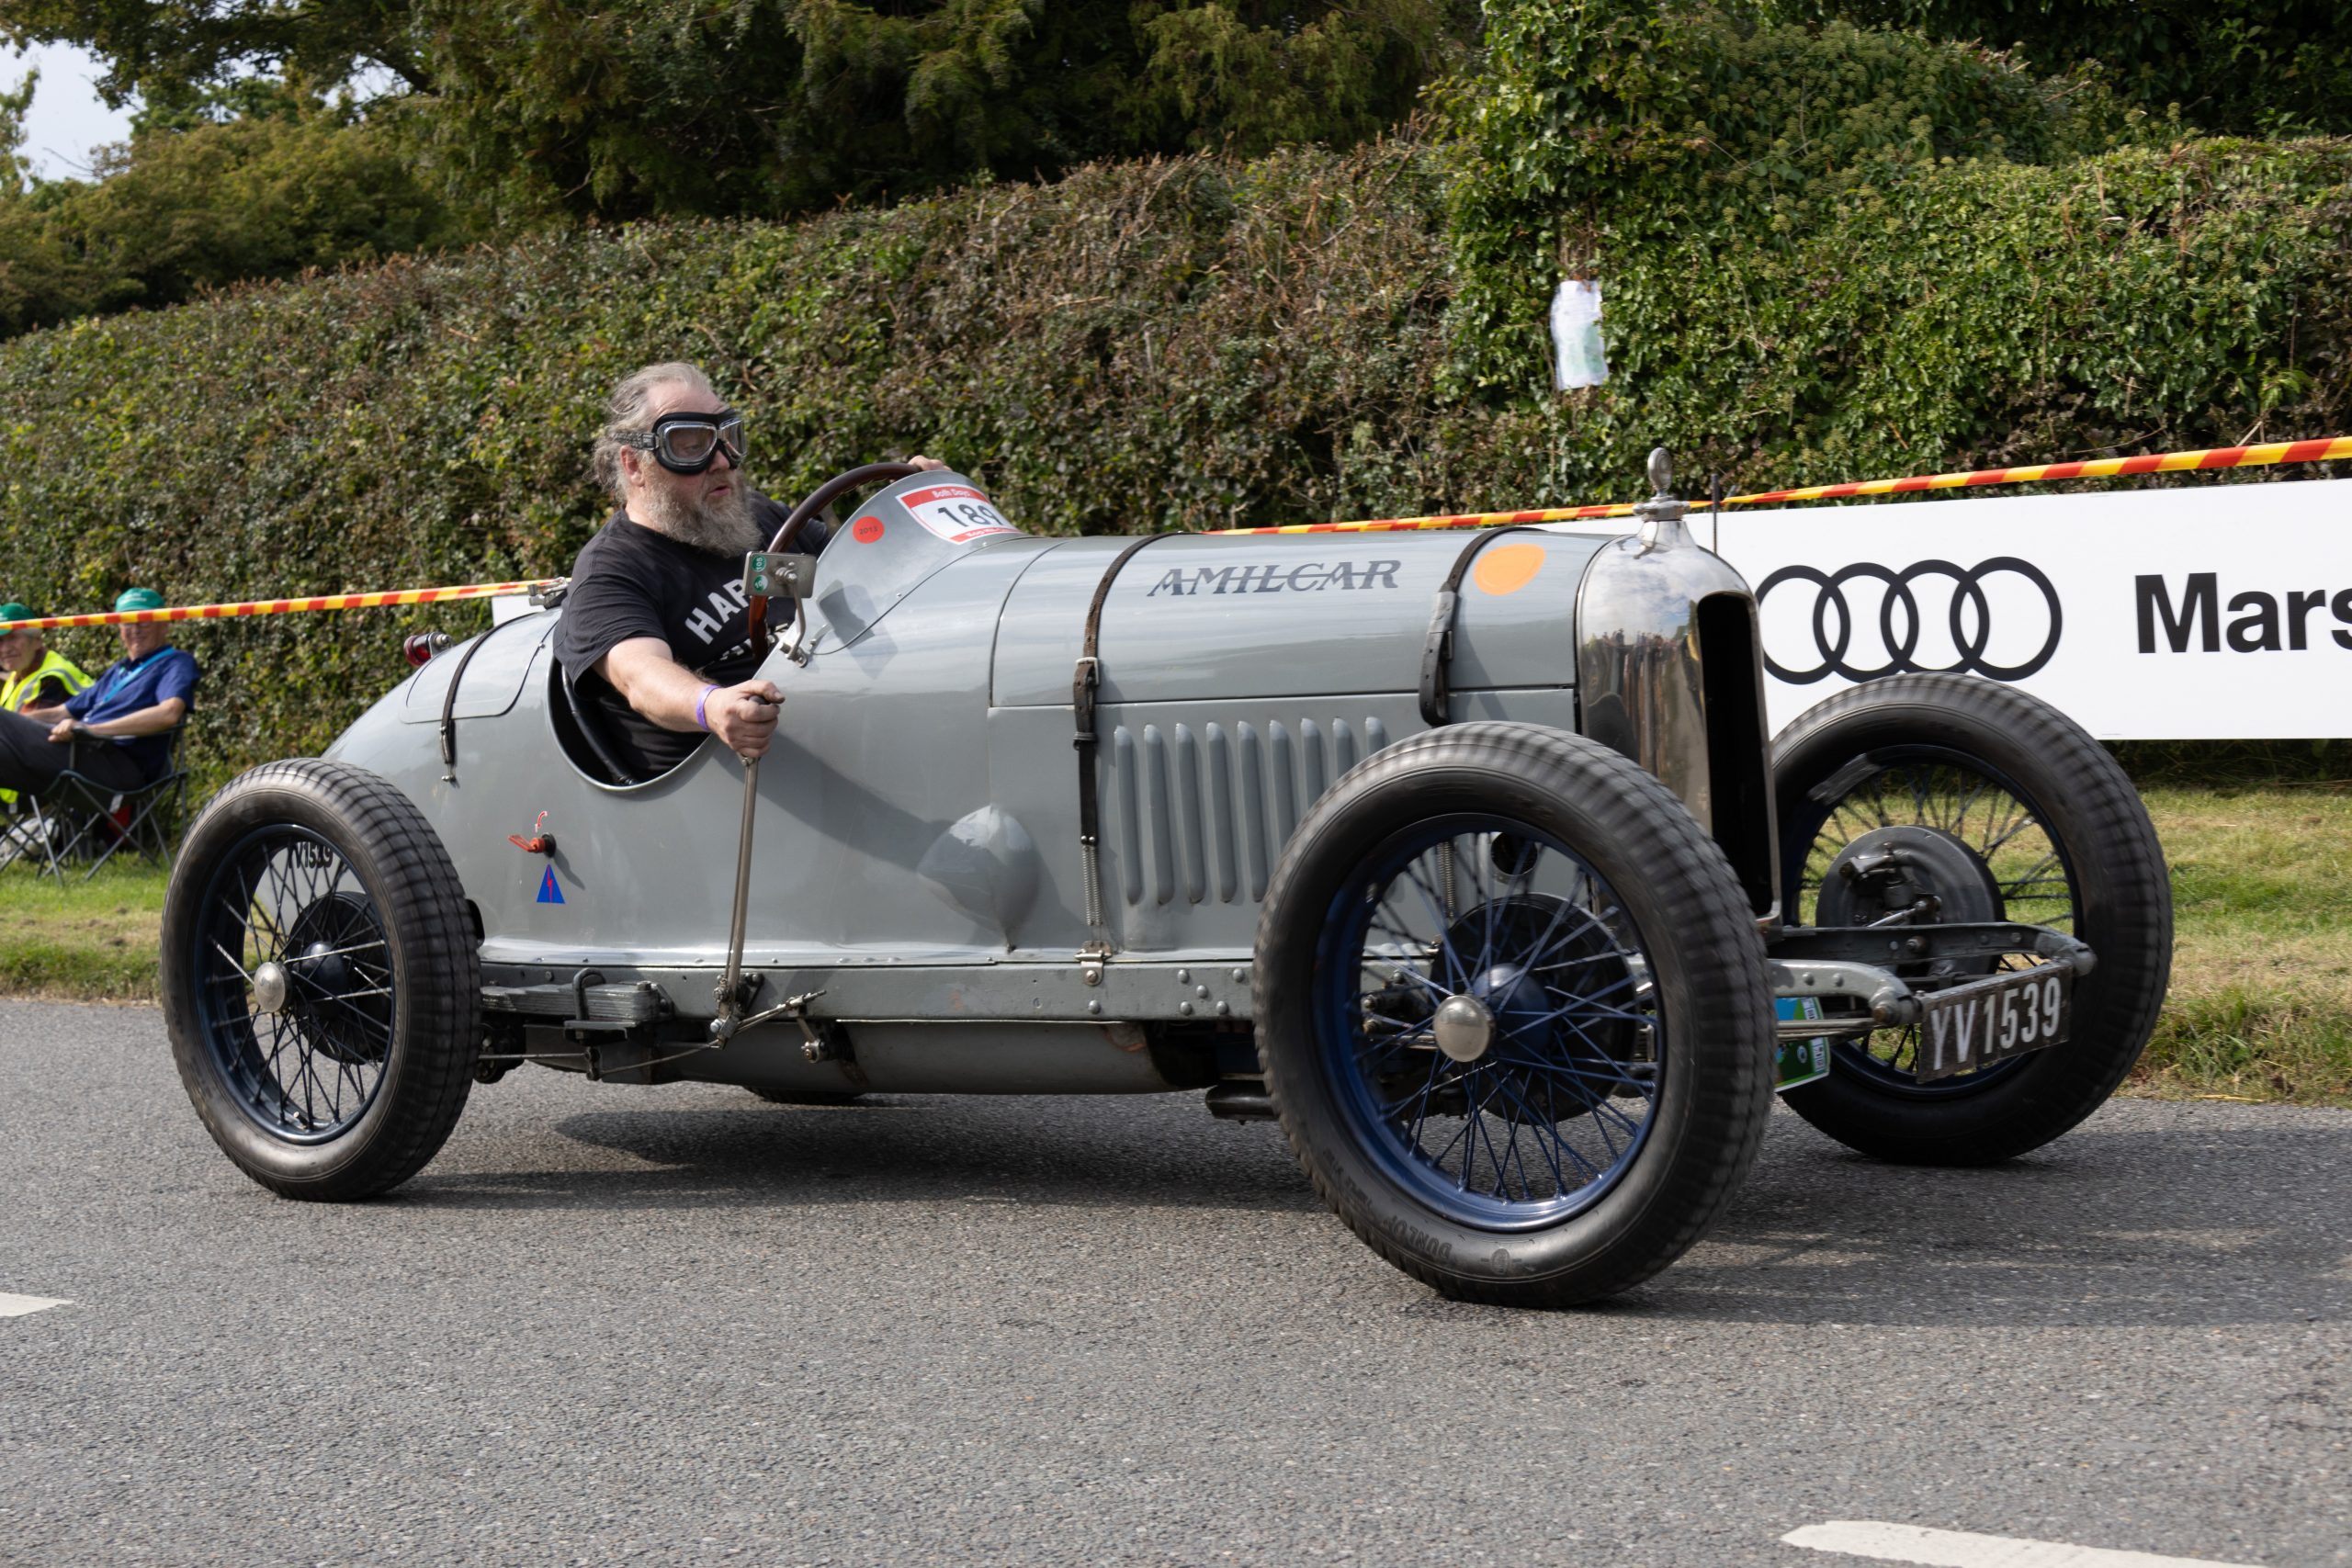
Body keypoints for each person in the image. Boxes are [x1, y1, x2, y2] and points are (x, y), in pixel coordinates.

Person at [553, 360, 943, 780]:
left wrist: (919, 512)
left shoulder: (759, 518)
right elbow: (641, 677)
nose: (722, 461)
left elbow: (865, 570)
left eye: (729, 438)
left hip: (841, 739)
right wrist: (712, 705)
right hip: (735, 785)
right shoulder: (611, 571)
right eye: (690, 446)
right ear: (633, 464)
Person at [2, 588, 198, 800]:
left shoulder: (175, 662)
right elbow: (61, 712)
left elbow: (168, 713)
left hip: (114, 766)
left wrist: (91, 729)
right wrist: (16, 722)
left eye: (144, 621)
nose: (135, 629)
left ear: (164, 624)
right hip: (82, 753)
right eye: (127, 622)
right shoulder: (120, 670)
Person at [0, 603, 92, 715]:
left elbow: (30, 724)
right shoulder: (19, 674)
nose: (5, 649)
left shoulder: (53, 678)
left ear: (37, 640)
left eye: (13, 638)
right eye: (0, 641)